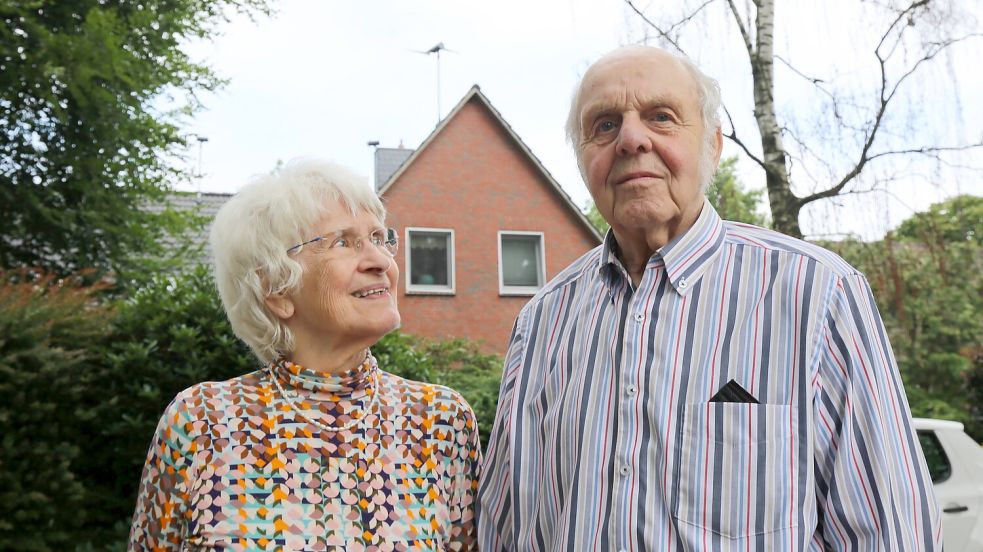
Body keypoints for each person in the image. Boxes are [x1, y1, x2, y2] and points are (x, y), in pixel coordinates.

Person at [477, 45, 942, 551]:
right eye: (605, 125)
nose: (632, 139)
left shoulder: (816, 294)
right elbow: (506, 531)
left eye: (661, 116)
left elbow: (895, 535)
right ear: (582, 158)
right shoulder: (541, 322)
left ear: (713, 146)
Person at [130, 159, 480, 550]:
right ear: (276, 289)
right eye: (343, 242)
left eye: (380, 238)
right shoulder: (202, 422)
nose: (381, 261)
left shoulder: (439, 422)